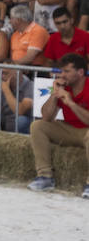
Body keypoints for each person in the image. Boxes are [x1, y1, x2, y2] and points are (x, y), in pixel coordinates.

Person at [26, 53, 89, 197]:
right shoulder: (64, 87)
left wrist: (71, 103)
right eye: (61, 71)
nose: (62, 75)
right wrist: (54, 95)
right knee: (38, 126)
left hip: (87, 130)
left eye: (67, 71)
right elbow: (47, 117)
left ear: (80, 72)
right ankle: (45, 177)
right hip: (69, 129)